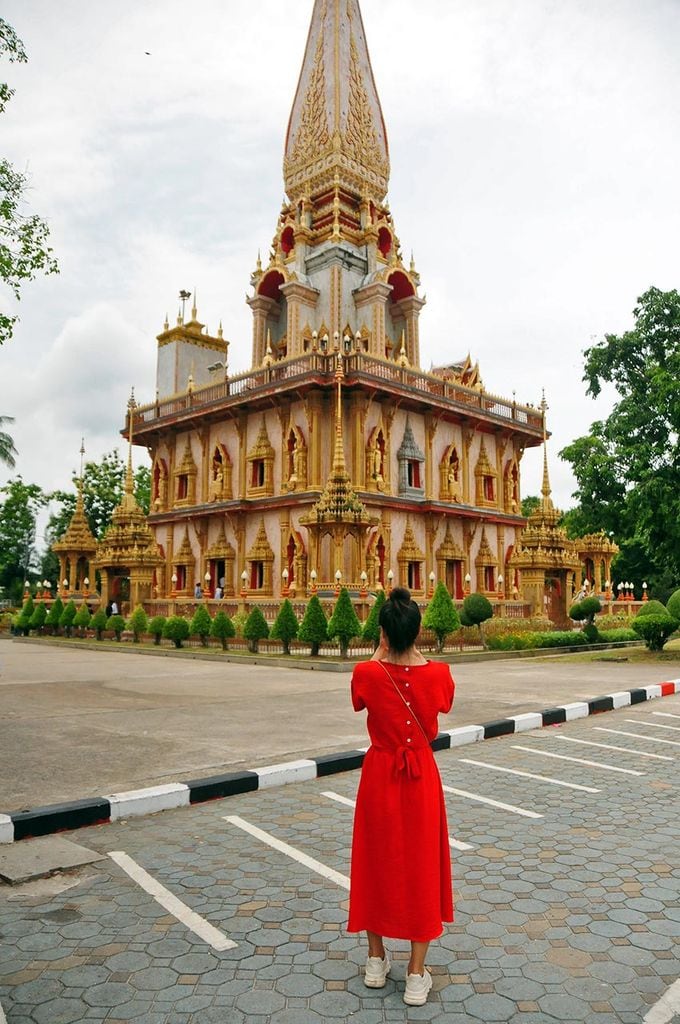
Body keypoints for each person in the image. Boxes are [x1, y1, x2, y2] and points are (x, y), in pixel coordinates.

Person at [348, 586, 455, 1007]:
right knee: (422, 866)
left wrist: (382, 649)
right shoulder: (440, 674)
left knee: (375, 861)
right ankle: (415, 973)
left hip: (380, 774)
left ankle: (376, 961)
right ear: (419, 630)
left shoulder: (366, 673)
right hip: (420, 778)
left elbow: (360, 700)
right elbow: (441, 701)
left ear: (384, 633)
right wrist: (407, 651)